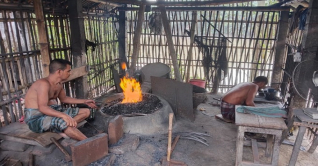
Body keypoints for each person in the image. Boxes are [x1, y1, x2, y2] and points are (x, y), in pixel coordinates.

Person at [24, 59, 97, 141]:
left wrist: (84, 101)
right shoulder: (43, 84)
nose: (70, 73)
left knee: (86, 111)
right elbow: (42, 108)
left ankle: (62, 127)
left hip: (51, 110)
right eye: (68, 71)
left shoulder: (59, 84)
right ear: (59, 72)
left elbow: (64, 99)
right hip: (36, 118)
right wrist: (64, 116)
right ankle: (89, 142)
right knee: (63, 122)